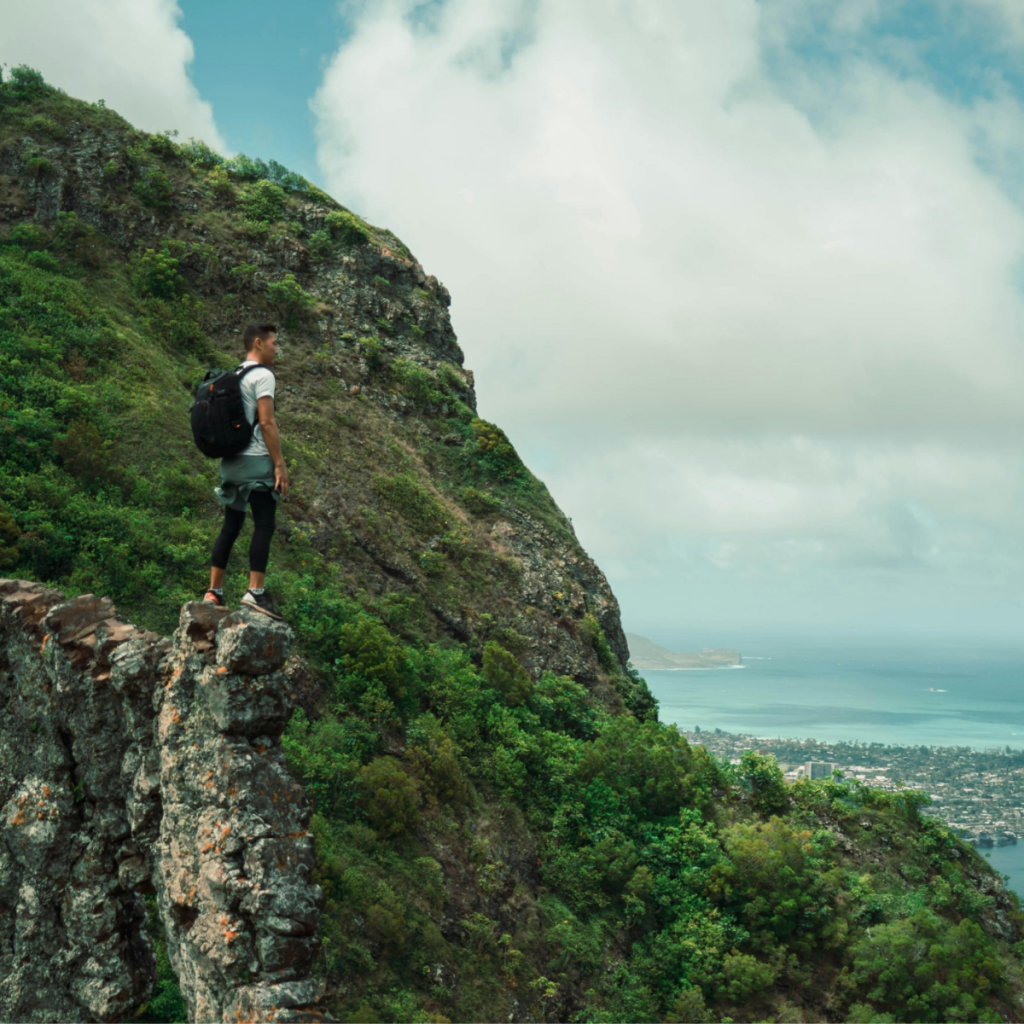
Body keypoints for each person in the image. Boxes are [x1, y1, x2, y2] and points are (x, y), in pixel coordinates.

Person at [203, 323, 289, 619]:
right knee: (264, 523)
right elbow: (266, 423)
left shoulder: (235, 374)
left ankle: (214, 591)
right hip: (256, 461)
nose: (277, 350)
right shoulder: (263, 376)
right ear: (258, 343)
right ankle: (255, 592)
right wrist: (279, 464)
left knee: (232, 525)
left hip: (230, 462)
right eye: (275, 344)